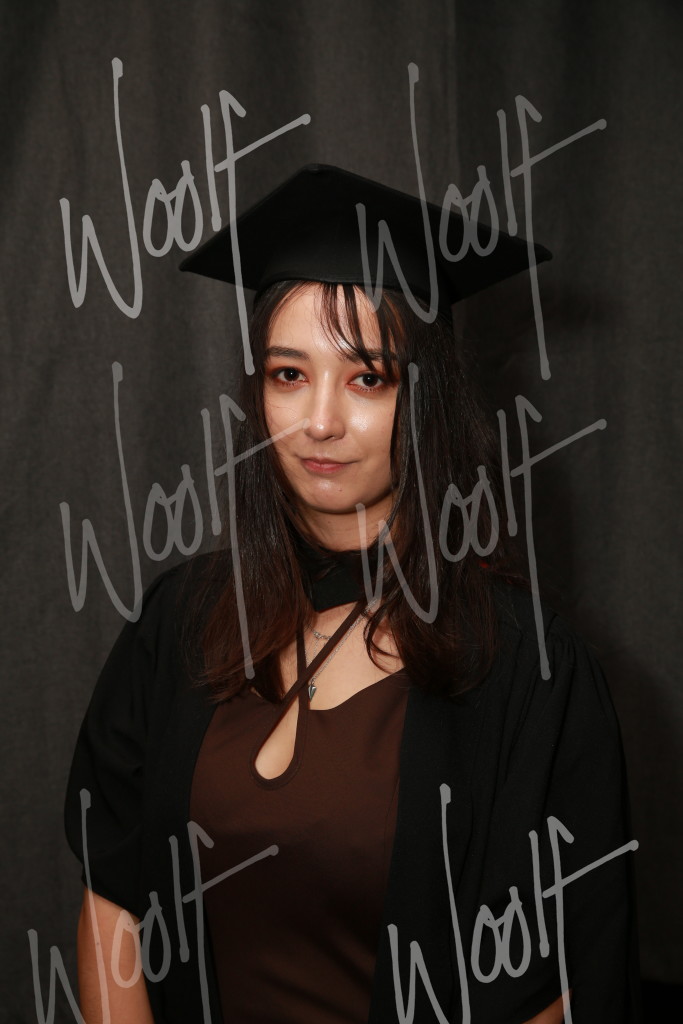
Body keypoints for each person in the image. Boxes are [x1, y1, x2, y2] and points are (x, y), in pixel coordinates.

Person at [64, 165, 640, 1023]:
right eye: (287, 374)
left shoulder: (525, 669)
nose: (319, 421)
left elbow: (548, 988)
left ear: (426, 397)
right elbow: (115, 902)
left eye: (367, 376)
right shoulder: (179, 620)